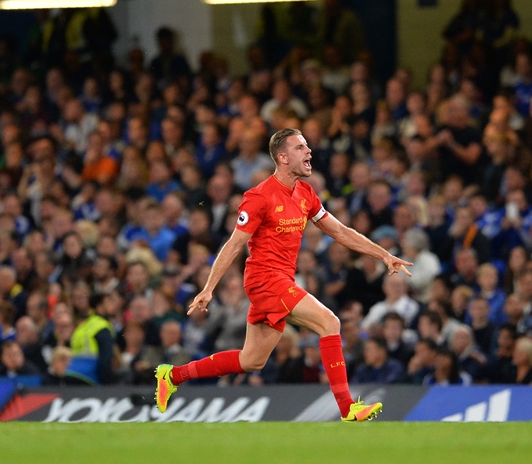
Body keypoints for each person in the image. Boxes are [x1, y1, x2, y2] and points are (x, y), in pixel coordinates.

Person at [154, 128, 412, 422]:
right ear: (283, 157)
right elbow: (234, 244)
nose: (309, 152)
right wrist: (209, 287)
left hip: (281, 282)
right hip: (264, 281)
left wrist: (383, 255)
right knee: (330, 322)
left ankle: (173, 375)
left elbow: (339, 231)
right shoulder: (258, 197)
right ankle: (348, 408)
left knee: (251, 360)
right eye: (301, 147)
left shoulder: (306, 193)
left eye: (307, 146)